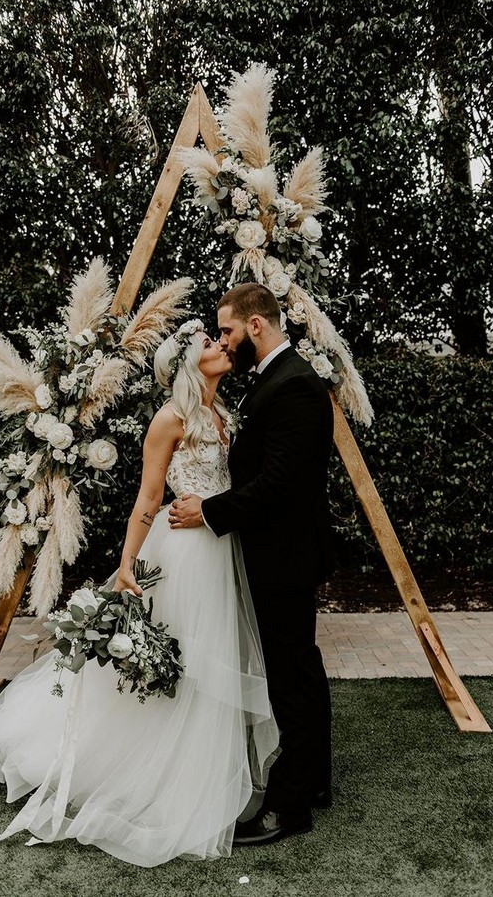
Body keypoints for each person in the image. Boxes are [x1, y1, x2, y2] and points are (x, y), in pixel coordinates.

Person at [0, 319, 278, 867]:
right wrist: (127, 562)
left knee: (210, 655)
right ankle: (156, 768)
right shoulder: (169, 419)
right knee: (183, 656)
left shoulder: (222, 412)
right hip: (182, 553)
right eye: (210, 342)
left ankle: (202, 761)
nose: (222, 345)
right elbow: (149, 495)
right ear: (187, 360)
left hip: (219, 547)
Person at [170, 284, 334, 846]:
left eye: (229, 331)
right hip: (276, 551)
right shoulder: (272, 380)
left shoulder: (293, 387)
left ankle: (289, 807)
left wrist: (208, 512)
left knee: (292, 676)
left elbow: (279, 485)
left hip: (284, 555)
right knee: (298, 670)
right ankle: (312, 780)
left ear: (256, 326)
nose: (224, 341)